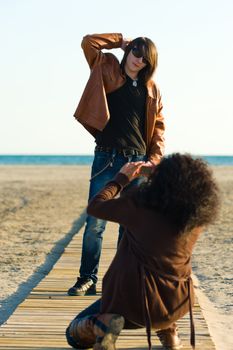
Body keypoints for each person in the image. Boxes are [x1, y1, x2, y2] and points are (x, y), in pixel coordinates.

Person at [66, 153, 220, 350]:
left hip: (131, 302)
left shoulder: (139, 208)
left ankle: (104, 326)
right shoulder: (195, 219)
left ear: (159, 181)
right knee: (162, 284)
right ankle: (169, 331)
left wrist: (120, 179)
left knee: (73, 335)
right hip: (176, 303)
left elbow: (95, 207)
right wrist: (159, 172)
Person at [68, 33, 165, 296]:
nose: (139, 60)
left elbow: (158, 128)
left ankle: (121, 282)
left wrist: (153, 160)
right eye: (136, 53)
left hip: (137, 163)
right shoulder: (107, 66)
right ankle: (87, 279)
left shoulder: (152, 88)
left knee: (129, 227)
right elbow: (88, 42)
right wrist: (119, 40)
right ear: (129, 50)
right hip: (107, 157)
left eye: (145, 58)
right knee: (95, 222)